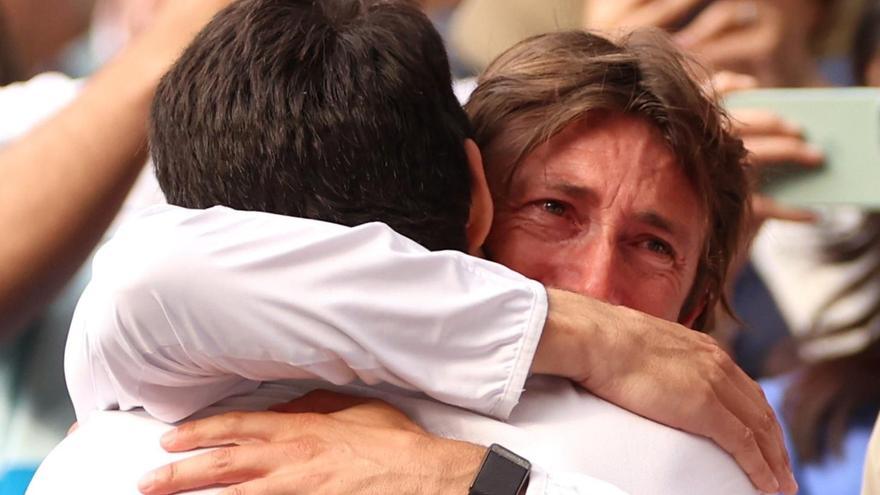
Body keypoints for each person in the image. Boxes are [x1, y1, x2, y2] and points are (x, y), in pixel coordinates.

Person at [31, 1, 793, 494]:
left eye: (654, 245)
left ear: (697, 301)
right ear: (478, 207)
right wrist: (576, 336)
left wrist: (461, 479)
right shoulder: (114, 452)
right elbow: (157, 275)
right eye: (555, 209)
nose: (594, 282)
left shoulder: (701, 463)